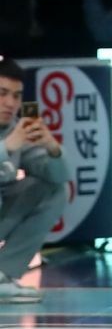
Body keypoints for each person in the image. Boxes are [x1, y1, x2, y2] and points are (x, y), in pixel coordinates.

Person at [0, 57, 68, 302]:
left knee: (53, 190)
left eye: (16, 96)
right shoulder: (13, 138)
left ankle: (2, 274)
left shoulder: (16, 128)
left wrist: (52, 148)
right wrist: (6, 148)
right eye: (2, 93)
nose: (10, 103)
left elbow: (61, 177)